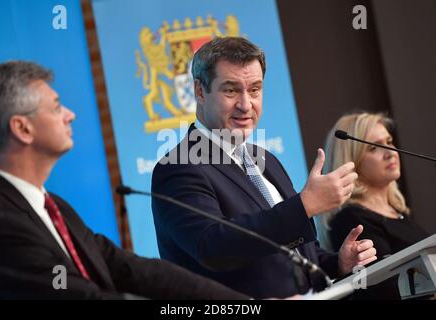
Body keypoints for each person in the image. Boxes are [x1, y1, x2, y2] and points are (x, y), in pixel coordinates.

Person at [0, 60, 250, 300]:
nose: (70, 114)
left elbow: (129, 268)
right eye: (56, 107)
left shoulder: (54, 207)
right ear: (22, 128)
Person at [151, 37, 377, 299]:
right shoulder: (178, 167)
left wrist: (337, 263)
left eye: (255, 90)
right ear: (200, 91)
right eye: (231, 90)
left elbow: (294, 258)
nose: (246, 105)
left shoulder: (266, 160)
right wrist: (304, 206)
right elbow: (213, 247)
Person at [315, 112, 429, 299]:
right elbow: (385, 289)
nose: (390, 153)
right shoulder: (352, 219)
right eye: (374, 148)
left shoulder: (398, 212)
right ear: (352, 161)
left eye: (389, 141)